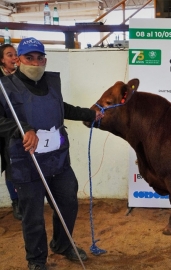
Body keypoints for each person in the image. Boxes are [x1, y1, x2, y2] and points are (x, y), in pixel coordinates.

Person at [0, 37, 104, 270]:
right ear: (18, 60)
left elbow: (61, 108)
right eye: (29, 58)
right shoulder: (4, 88)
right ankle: (36, 260)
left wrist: (88, 114)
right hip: (27, 162)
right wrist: (23, 129)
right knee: (33, 216)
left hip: (58, 160)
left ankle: (62, 244)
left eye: (40, 58)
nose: (35, 63)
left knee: (67, 202)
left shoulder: (51, 82)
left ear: (45, 59)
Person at [0, 44, 22, 220]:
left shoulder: (22, 76)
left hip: (24, 127)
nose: (14, 57)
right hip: (6, 130)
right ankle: (16, 201)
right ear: (1, 59)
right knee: (10, 166)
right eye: (9, 55)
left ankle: (25, 199)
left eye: (15, 54)